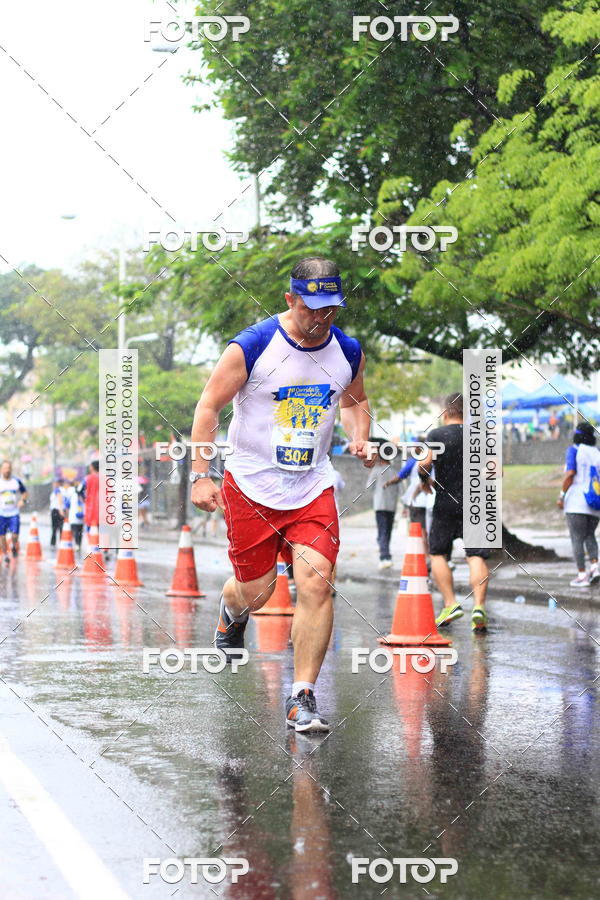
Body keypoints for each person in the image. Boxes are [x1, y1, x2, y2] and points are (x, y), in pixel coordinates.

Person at [190, 257, 374, 732]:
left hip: (312, 485)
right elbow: (209, 405)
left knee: (316, 581)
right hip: (252, 484)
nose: (322, 318)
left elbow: (356, 401)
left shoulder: (348, 351)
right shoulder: (252, 346)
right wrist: (200, 474)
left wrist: (361, 436)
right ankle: (232, 610)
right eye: (313, 308)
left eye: (331, 309)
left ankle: (303, 696)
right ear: (290, 299)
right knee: (260, 590)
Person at [418, 393, 490, 632]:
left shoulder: (436, 435)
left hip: (445, 503)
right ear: (465, 413)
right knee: (475, 555)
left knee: (438, 552)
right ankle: (478, 607)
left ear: (445, 412)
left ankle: (450, 604)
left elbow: (424, 464)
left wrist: (424, 480)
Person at [557, 421, 600, 586]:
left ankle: (582, 575)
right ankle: (595, 568)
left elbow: (570, 474)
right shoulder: (597, 453)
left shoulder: (573, 450)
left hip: (576, 502)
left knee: (577, 538)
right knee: (590, 536)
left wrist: (561, 496)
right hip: (595, 503)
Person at [367, 442, 399, 569]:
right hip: (391, 505)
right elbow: (401, 489)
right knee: (388, 531)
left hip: (379, 505)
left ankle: (384, 556)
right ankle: (386, 554)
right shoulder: (395, 471)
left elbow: (368, 486)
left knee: (382, 530)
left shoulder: (376, 471)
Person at [0, 460, 27, 561]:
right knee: (2, 536)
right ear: (1, 470)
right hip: (1, 513)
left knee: (15, 534)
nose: (7, 470)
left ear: (11, 469)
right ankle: (6, 555)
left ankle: (13, 546)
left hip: (14, 512)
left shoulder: (16, 481)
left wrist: (22, 500)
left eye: (9, 468)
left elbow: (24, 493)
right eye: (5, 468)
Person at [65, 480, 85, 550]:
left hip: (73, 517)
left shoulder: (71, 496)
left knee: (75, 531)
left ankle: (77, 544)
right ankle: (78, 544)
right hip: (81, 517)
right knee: (79, 531)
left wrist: (66, 516)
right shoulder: (82, 497)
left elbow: (67, 506)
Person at [50, 479, 66, 548]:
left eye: (55, 482)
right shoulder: (62, 490)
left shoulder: (58, 490)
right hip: (58, 510)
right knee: (59, 527)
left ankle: (54, 543)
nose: (54, 484)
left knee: (56, 527)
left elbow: (60, 499)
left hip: (57, 510)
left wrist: (60, 509)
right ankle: (60, 542)